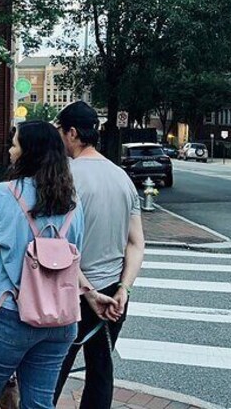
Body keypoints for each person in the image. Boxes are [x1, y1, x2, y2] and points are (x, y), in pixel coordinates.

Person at [0, 120, 85, 409]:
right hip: (60, 320)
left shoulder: (3, 194)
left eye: (15, 144)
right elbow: (78, 253)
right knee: (39, 403)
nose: (10, 150)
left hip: (9, 313)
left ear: (29, 152)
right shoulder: (74, 201)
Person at [52, 101, 145, 409]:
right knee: (101, 371)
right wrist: (124, 289)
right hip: (113, 293)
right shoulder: (122, 178)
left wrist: (88, 292)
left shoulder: (64, 176)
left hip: (72, 290)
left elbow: (57, 244)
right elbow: (135, 243)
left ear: (72, 133)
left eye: (60, 131)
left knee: (53, 368)